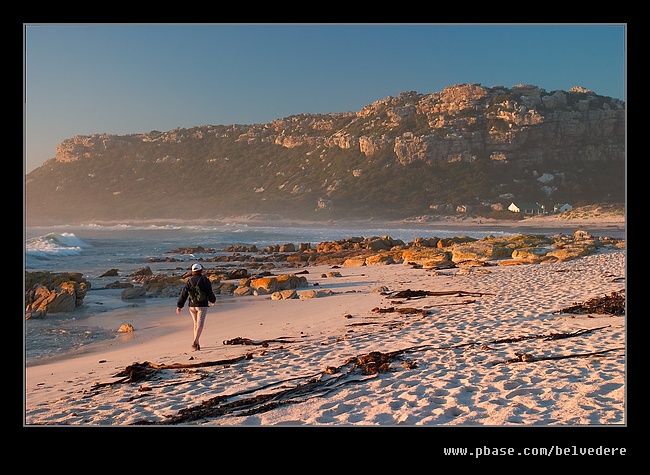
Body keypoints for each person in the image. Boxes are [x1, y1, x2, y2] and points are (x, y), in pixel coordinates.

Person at [176, 263, 217, 351]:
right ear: (201, 270)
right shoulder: (205, 280)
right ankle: (195, 341)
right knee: (200, 324)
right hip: (202, 305)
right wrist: (212, 300)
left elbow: (184, 294)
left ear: (193, 271)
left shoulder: (189, 281)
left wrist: (179, 305)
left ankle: (197, 343)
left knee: (195, 324)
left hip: (192, 306)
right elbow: (209, 292)